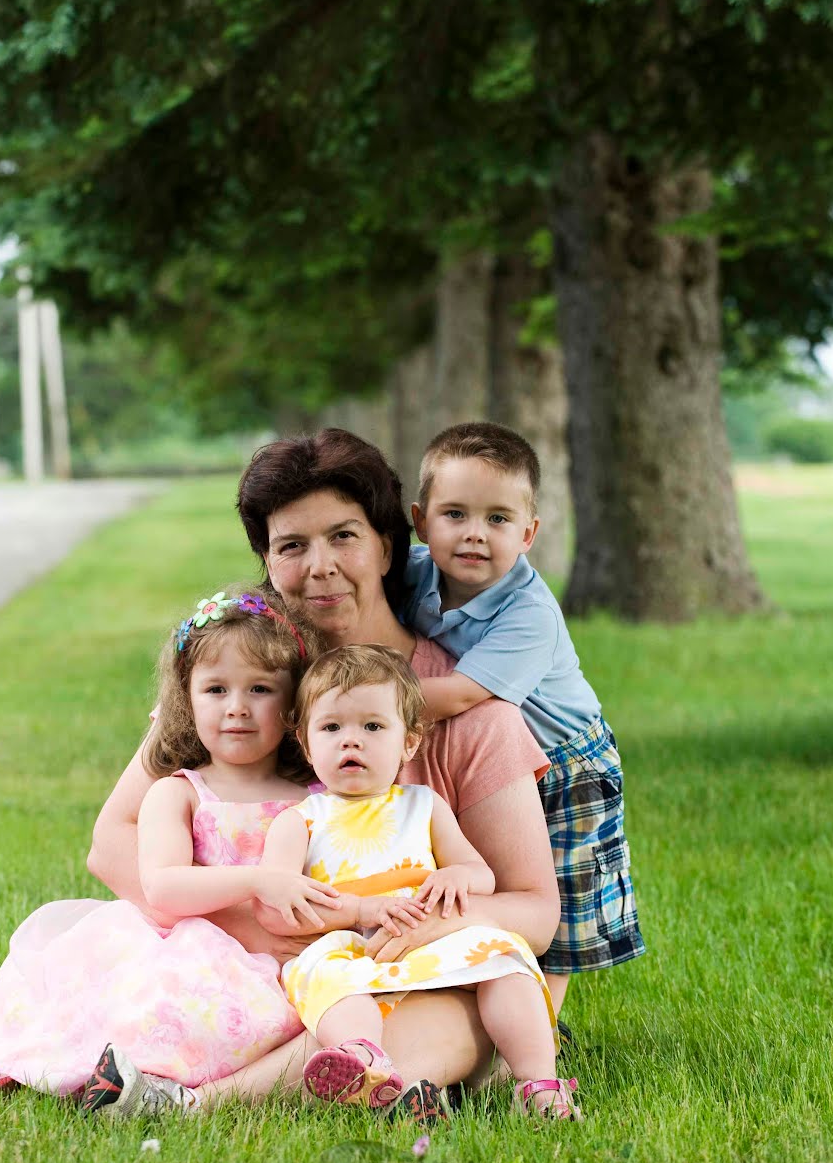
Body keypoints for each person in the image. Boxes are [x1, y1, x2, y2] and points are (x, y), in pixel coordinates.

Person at [89, 428, 563, 1118]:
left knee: (462, 1016)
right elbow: (112, 840)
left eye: (343, 536)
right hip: (255, 964)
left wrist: (420, 926)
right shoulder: (241, 689)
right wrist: (259, 932)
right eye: (291, 546)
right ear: (266, 560)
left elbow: (534, 910)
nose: (319, 567)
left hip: (412, 967)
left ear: (388, 546)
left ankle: (197, 1104)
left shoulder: (473, 714)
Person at [0, 588, 328, 1101]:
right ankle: (145, 1075)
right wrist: (257, 882)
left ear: (292, 704)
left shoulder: (317, 798)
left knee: (310, 1007)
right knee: (166, 1004)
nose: (237, 708)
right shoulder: (180, 793)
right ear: (186, 700)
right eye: (216, 690)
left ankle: (191, 1082)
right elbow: (163, 889)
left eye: (261, 689)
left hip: (285, 958)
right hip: (192, 944)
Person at [262, 644, 576, 1120]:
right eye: (331, 728)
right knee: (330, 982)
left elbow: (481, 874)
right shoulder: (300, 820)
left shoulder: (423, 805)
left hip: (427, 935)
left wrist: (456, 874)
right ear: (306, 745)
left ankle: (538, 1081)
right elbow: (279, 904)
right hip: (353, 946)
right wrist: (355, 911)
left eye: (373, 727)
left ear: (409, 743)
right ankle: (365, 1059)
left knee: (504, 960)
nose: (351, 742)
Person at [404, 421, 645, 1012]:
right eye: (455, 514)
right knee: (493, 875)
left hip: (570, 763)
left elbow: (460, 695)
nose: (475, 534)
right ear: (420, 522)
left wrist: (363, 699)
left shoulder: (528, 611)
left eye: (498, 519)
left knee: (557, 906)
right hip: (500, 758)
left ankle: (544, 1030)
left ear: (529, 532)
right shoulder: (411, 572)